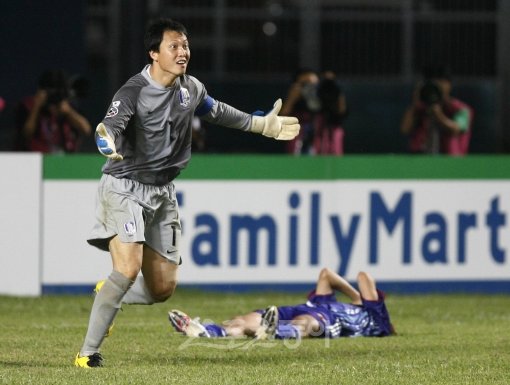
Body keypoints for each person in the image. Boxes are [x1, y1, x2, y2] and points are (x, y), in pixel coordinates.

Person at [74, 18, 300, 368]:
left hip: (163, 192)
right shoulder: (133, 90)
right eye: (173, 46)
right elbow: (111, 125)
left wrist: (259, 125)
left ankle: (109, 293)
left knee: (162, 288)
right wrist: (108, 141)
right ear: (153, 53)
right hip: (125, 187)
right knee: (128, 267)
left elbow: (214, 110)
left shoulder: (190, 88)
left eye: (185, 45)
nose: (183, 52)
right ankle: (87, 353)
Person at [168, 268, 395, 340]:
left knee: (307, 323)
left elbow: (364, 277)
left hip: (329, 320)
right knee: (247, 320)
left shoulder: (376, 319)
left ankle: (275, 330)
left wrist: (358, 299)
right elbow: (326, 275)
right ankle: (207, 331)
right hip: (304, 308)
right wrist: (357, 299)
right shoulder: (334, 302)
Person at [400, 65, 473, 155]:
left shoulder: (460, 109)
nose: (438, 86)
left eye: (441, 82)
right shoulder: (420, 107)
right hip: (421, 160)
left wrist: (438, 115)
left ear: (449, 84)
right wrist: (415, 103)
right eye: (433, 82)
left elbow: (456, 130)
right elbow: (405, 129)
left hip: (451, 162)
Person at [15, 69, 92, 153]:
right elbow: (26, 134)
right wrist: (36, 107)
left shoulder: (68, 107)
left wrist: (68, 111)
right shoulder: (28, 106)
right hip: (36, 158)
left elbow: (86, 129)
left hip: (64, 158)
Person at [281, 68, 321, 155]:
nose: (308, 89)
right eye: (305, 84)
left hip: (318, 138)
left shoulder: (322, 96)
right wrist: (292, 98)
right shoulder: (292, 95)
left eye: (312, 85)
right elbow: (282, 118)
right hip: (297, 136)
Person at [313, 71, 348, 155]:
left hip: (335, 123)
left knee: (336, 148)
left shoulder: (337, 92)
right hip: (321, 125)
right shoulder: (318, 92)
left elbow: (342, 110)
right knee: (319, 148)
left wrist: (335, 112)